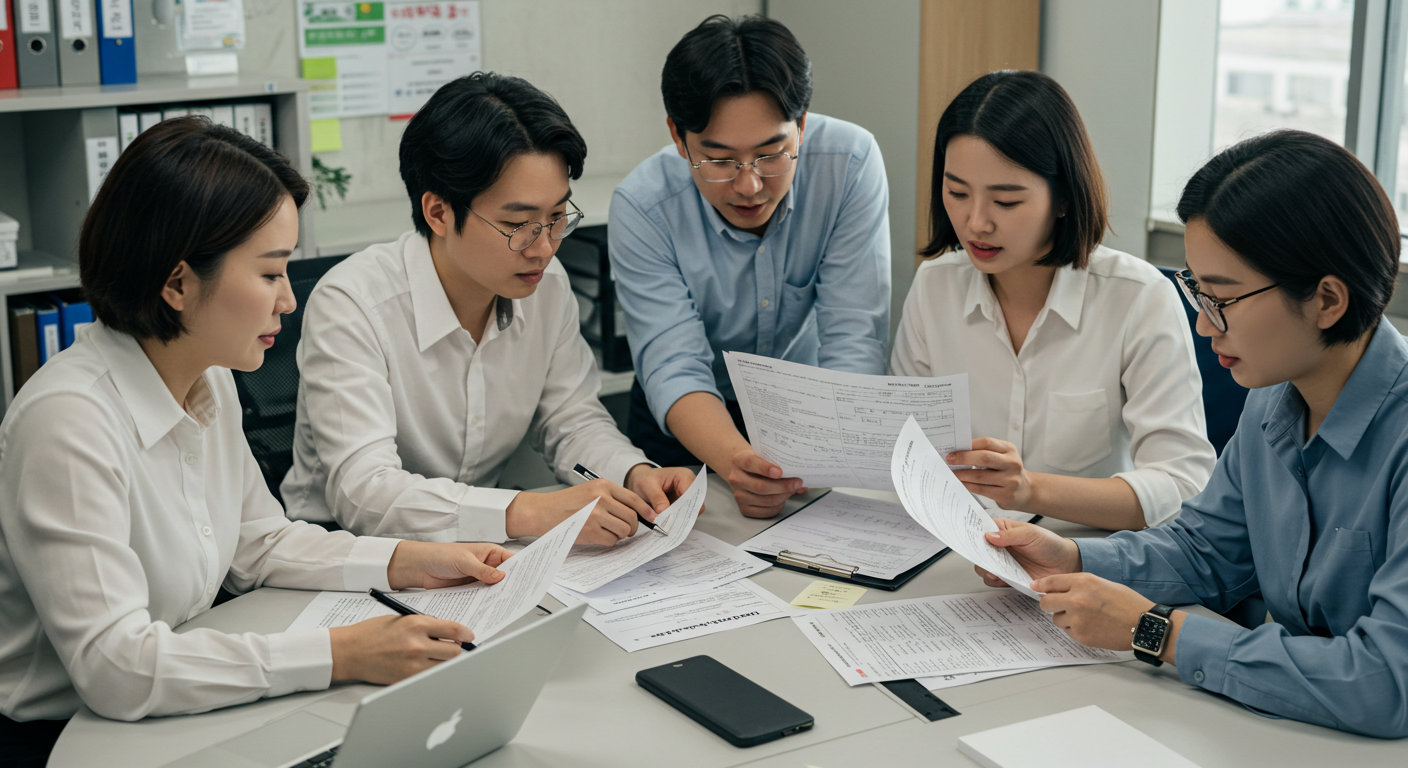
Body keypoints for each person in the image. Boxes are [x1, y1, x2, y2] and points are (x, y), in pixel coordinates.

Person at [0, 118, 515, 768]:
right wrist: (344, 654)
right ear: (179, 283)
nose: (289, 301)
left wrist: (409, 560)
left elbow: (257, 542)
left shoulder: (204, 378)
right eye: (270, 274)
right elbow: (116, 667)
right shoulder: (68, 423)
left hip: (176, 698)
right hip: (69, 739)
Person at [981, 129, 1408, 737]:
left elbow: (1386, 682)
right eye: (1197, 292)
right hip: (1286, 729)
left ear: (1327, 300)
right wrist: (1071, 556)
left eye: (1224, 299)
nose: (1206, 328)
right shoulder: (1271, 402)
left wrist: (1156, 631)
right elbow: (1207, 550)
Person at [281, 73, 695, 546]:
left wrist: (632, 473)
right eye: (518, 224)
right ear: (438, 213)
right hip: (339, 552)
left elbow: (571, 420)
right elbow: (363, 493)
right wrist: (528, 511)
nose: (544, 248)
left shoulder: (548, 288)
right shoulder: (353, 303)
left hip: (481, 544)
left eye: (558, 217)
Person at [890, 70, 1215, 531]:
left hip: (1089, 564)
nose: (976, 222)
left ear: (1063, 198)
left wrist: (1031, 490)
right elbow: (907, 451)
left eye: (1005, 202)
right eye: (957, 192)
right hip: (956, 549)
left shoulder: (1138, 299)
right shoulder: (934, 286)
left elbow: (1182, 486)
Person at [610, 15, 892, 518]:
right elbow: (674, 362)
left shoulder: (848, 163)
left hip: (804, 408)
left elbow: (854, 332)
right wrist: (735, 459)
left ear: (801, 125)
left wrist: (840, 445)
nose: (749, 186)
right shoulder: (643, 205)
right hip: (686, 419)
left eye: (771, 155)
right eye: (719, 161)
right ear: (679, 136)